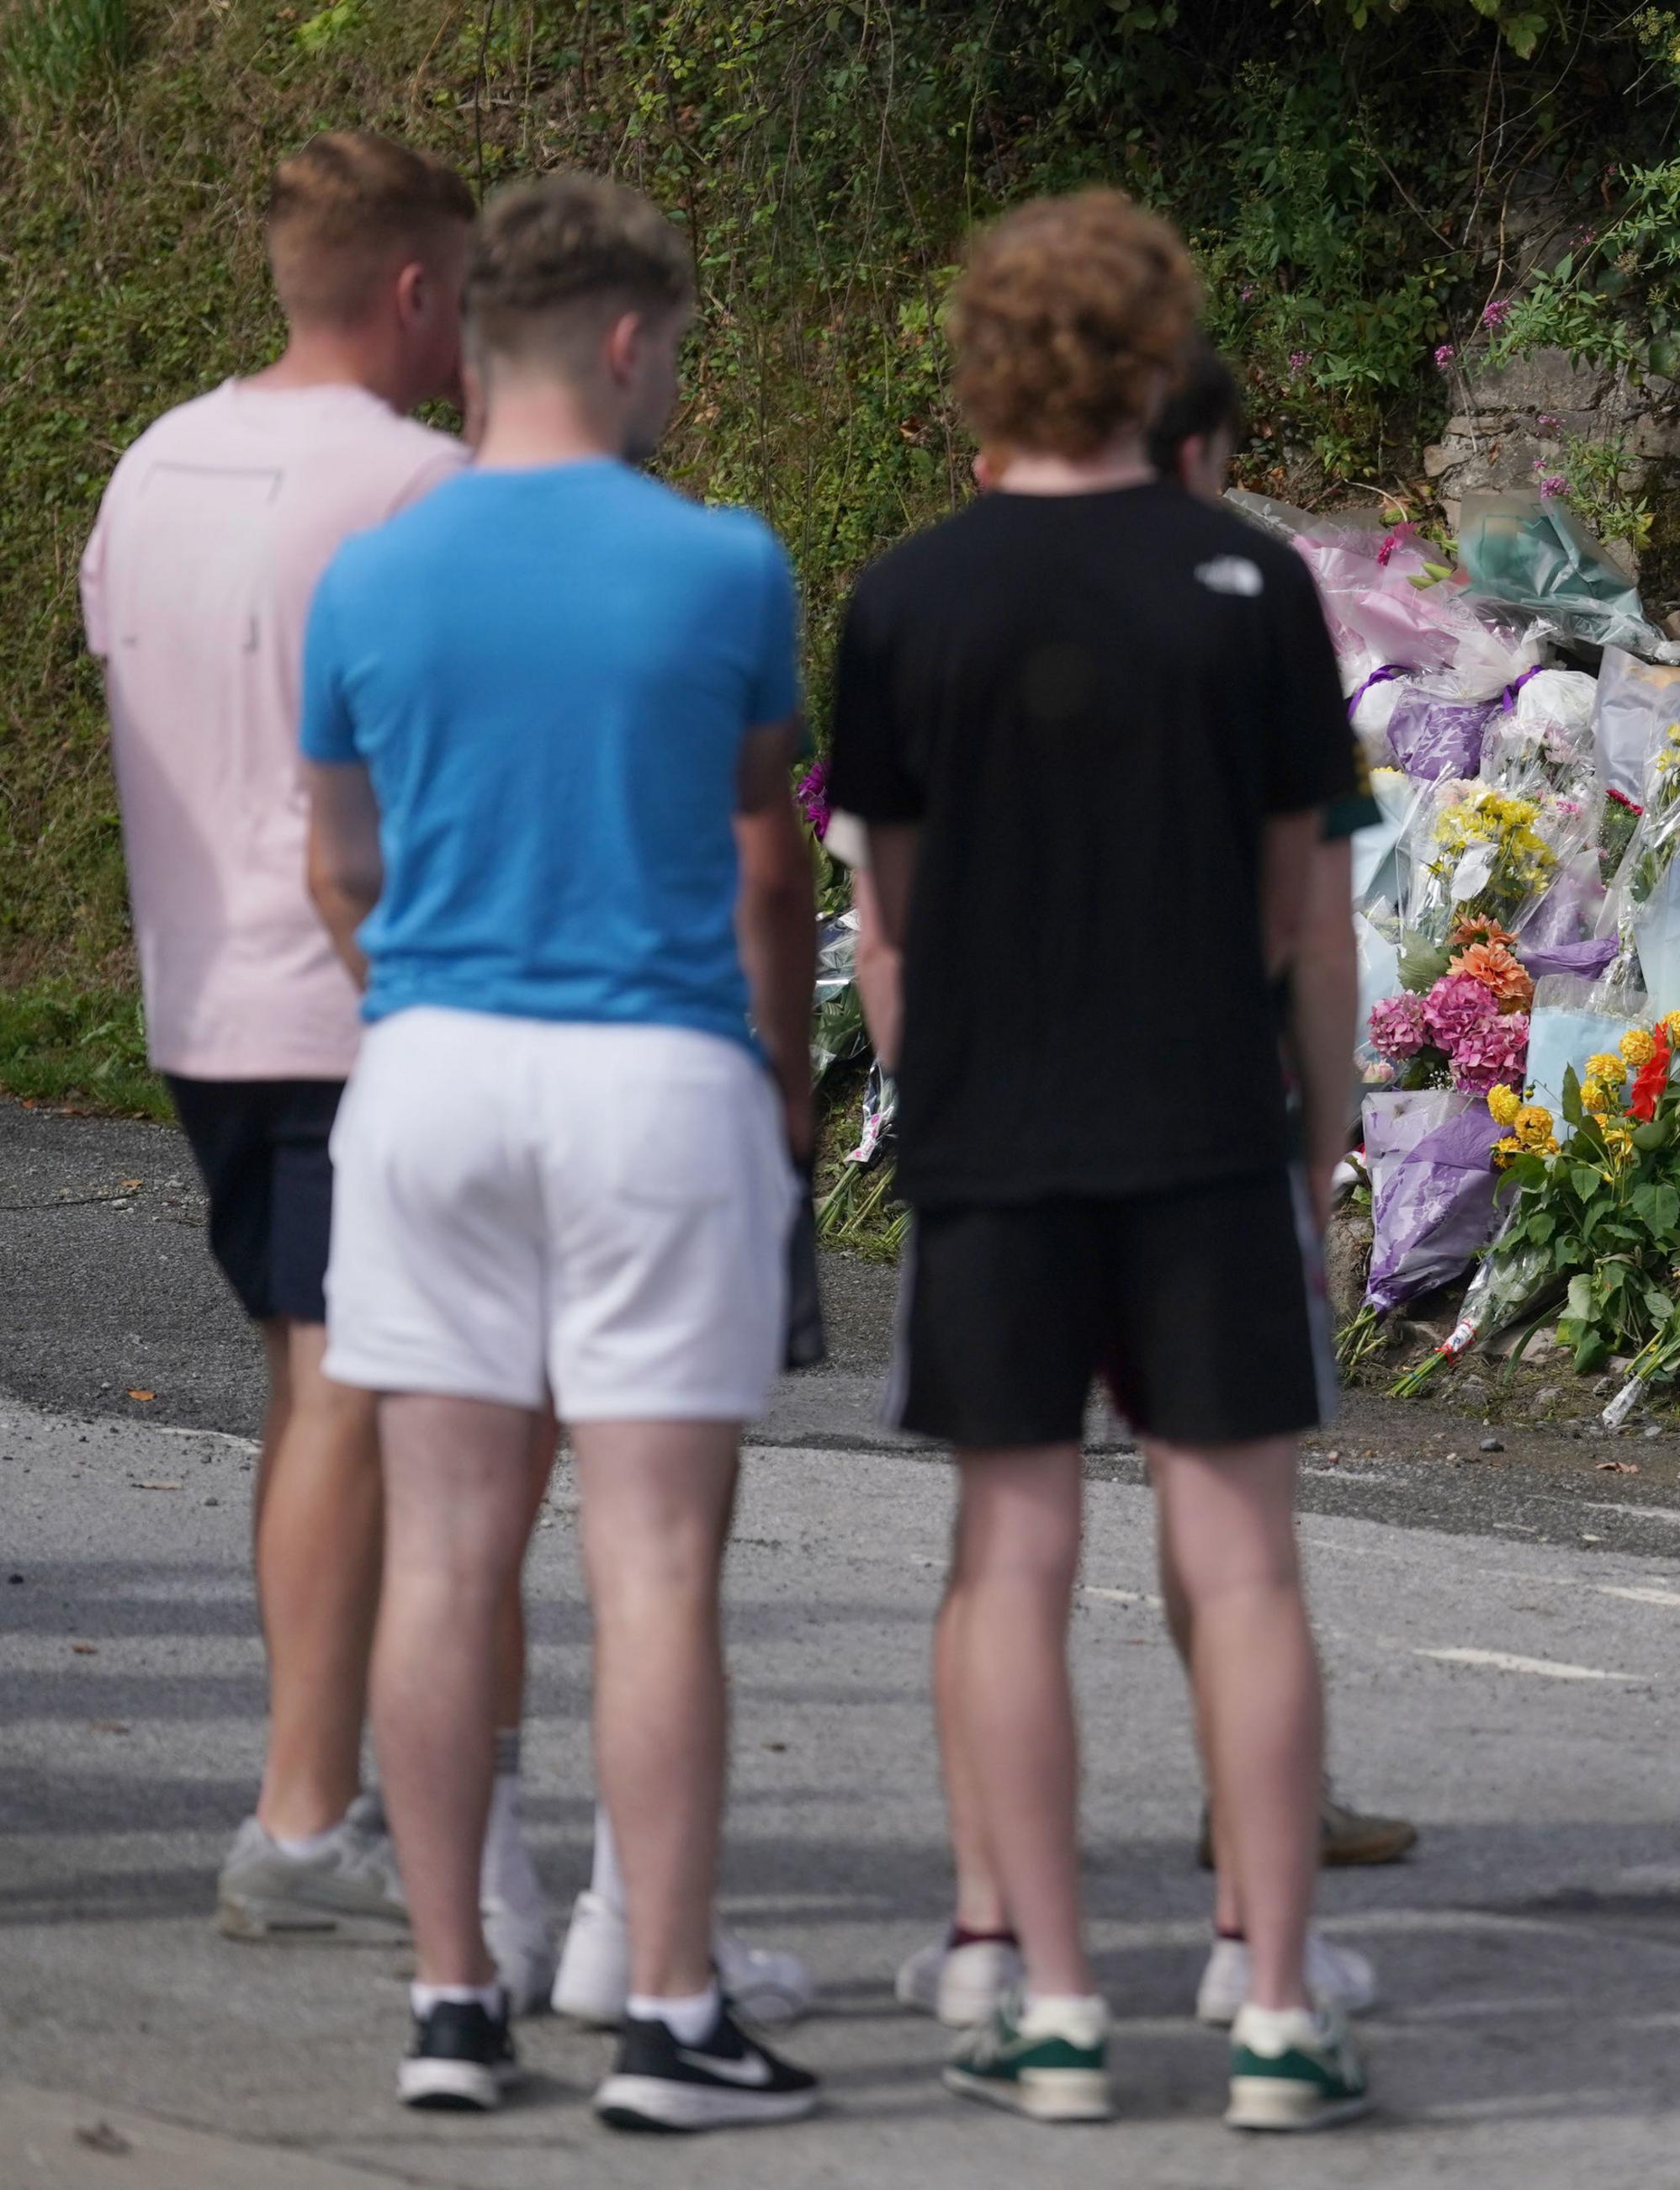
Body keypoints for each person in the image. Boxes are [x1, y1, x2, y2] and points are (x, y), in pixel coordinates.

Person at [830, 192, 1370, 2133]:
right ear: (1161, 356)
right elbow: (1305, 923)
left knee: (1012, 1564)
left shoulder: (904, 602)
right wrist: (1313, 1151)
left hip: (997, 1145)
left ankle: (1053, 2004)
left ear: (984, 360)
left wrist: (941, 1110)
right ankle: (1282, 2013)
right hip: (1206, 1136)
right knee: (1241, 1572)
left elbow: (884, 926)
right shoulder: (1250, 591)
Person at [299, 171, 820, 2130]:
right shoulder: (723, 566)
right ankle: (669, 2012)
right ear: (623, 342)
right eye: (670, 351)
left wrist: (420, 993)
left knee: (442, 1551)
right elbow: (763, 851)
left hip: (428, 1068)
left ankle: (453, 1999)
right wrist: (780, 1092)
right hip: (650, 1071)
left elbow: (336, 861)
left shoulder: (370, 572)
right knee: (656, 1558)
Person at [74, 127, 551, 1976]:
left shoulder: (151, 464)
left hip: (203, 996)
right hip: (371, 990)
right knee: (361, 1393)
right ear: (420, 290)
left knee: (315, 1379)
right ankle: (300, 1813)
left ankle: (320, 1793)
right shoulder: (426, 486)